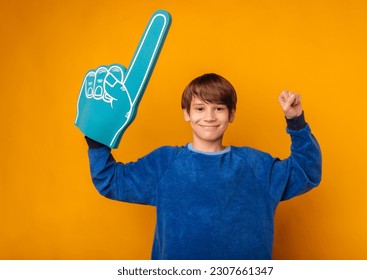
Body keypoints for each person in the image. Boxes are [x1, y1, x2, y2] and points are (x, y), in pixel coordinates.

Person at [84, 73, 322, 260]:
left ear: (231, 115)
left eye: (218, 108)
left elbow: (306, 172)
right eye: (200, 108)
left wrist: (296, 120)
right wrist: (96, 132)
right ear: (186, 114)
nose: (209, 116)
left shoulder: (255, 166)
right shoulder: (165, 163)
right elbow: (110, 180)